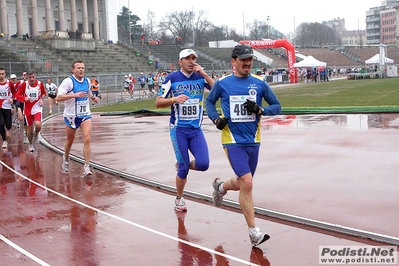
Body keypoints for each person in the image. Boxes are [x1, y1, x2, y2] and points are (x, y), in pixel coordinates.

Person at [205, 44, 281, 247]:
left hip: (253, 141)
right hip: (233, 140)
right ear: (233, 62)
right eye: (243, 60)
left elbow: (277, 106)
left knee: (243, 183)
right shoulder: (223, 84)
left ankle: (220, 187)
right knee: (247, 183)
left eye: (250, 60)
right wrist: (215, 119)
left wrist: (261, 110)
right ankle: (254, 233)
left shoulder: (259, 84)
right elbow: (210, 103)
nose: (248, 63)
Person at [155, 48, 214, 212]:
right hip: (178, 129)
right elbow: (158, 102)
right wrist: (174, 99)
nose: (191, 61)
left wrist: (204, 74)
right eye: (187, 58)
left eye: (193, 58)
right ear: (180, 62)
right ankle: (179, 199)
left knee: (203, 164)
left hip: (195, 130)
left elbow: (218, 91)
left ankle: (183, 164)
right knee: (184, 168)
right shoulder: (172, 78)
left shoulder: (200, 77)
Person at [56, 60, 98, 176]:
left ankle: (86, 166)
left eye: (83, 68)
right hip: (71, 116)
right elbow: (58, 98)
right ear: (73, 70)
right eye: (78, 68)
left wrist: (92, 98)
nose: (81, 70)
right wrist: (74, 95)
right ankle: (66, 158)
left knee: (87, 138)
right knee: (70, 141)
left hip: (84, 115)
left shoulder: (87, 81)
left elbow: (87, 91)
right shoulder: (68, 82)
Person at [15, 69, 46, 152]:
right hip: (27, 109)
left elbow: (43, 93)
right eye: (30, 77)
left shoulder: (40, 84)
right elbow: (17, 95)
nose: (32, 79)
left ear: (35, 76)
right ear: (27, 78)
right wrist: (24, 98)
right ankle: (30, 144)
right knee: (30, 128)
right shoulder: (24, 85)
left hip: (37, 108)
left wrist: (41, 99)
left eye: (33, 77)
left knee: (38, 124)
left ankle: (36, 134)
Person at [0, 67, 16, 150]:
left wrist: (12, 99)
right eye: (0, 74)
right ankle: (4, 140)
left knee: (8, 125)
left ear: (5, 74)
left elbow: (14, 93)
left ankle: (8, 128)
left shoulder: (9, 83)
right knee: (1, 123)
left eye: (2, 74)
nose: (1, 75)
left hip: (7, 106)